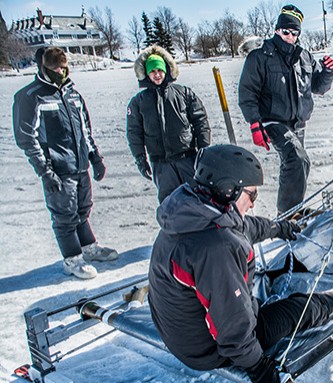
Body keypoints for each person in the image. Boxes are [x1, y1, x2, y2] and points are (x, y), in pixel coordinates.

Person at [148, 144, 333, 383]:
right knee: (296, 310)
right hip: (207, 350)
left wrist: (277, 229)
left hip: (181, 335)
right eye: (252, 195)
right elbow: (232, 329)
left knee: (255, 289)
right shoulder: (217, 247)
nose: (253, 203)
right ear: (229, 190)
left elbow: (242, 226)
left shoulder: (190, 213)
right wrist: (258, 367)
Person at [13, 47, 118, 280]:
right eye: (55, 68)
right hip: (57, 169)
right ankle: (72, 259)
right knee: (64, 214)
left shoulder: (72, 94)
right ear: (44, 68)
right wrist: (45, 171)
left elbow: (85, 130)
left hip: (79, 164)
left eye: (63, 67)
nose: (61, 71)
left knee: (82, 209)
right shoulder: (31, 96)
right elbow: (27, 138)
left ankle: (88, 247)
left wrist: (95, 157)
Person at [238, 4, 333, 216]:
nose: (289, 37)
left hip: (298, 122)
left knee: (299, 163)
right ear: (277, 30)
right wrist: (254, 123)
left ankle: (293, 209)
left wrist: (327, 71)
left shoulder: (304, 56)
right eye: (285, 32)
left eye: (294, 33)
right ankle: (288, 214)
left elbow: (319, 87)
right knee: (297, 158)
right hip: (273, 121)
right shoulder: (260, 56)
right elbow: (247, 92)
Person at [126, 45, 211, 203]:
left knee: (198, 199)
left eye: (159, 70)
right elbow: (134, 134)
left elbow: (200, 122)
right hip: (161, 164)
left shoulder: (184, 93)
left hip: (187, 158)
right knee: (170, 204)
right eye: (152, 71)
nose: (157, 75)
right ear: (146, 73)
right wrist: (140, 159)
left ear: (166, 70)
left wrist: (203, 151)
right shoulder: (138, 102)